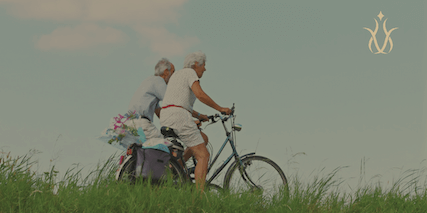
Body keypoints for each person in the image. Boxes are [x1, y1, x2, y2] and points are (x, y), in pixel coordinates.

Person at [159, 51, 231, 191]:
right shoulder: (190, 72)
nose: (205, 68)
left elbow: (178, 101)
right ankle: (198, 198)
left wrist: (199, 115)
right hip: (179, 116)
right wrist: (220, 108)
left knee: (202, 138)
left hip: (166, 115)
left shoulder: (177, 75)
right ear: (196, 64)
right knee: (203, 155)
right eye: (203, 65)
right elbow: (200, 94)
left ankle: (178, 170)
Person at [127, 58, 175, 142]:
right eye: (173, 72)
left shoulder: (148, 81)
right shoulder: (159, 81)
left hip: (130, 124)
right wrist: (192, 119)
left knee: (142, 152)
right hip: (142, 123)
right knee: (166, 147)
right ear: (166, 71)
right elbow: (173, 102)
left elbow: (159, 112)